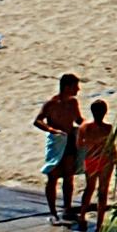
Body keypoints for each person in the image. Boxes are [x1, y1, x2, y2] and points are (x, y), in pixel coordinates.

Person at [34, 74, 84, 224]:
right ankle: (53, 211)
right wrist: (51, 130)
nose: (78, 89)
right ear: (67, 87)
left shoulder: (73, 103)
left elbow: (78, 120)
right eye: (75, 86)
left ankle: (67, 209)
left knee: (69, 176)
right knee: (53, 176)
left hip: (69, 140)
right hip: (57, 142)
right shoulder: (52, 103)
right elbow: (38, 120)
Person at [73, 99, 117, 228]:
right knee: (102, 191)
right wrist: (115, 158)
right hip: (105, 160)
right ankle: (99, 224)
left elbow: (79, 145)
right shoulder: (107, 128)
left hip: (91, 158)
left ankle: (82, 217)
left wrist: (92, 143)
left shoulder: (85, 127)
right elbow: (111, 145)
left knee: (89, 188)